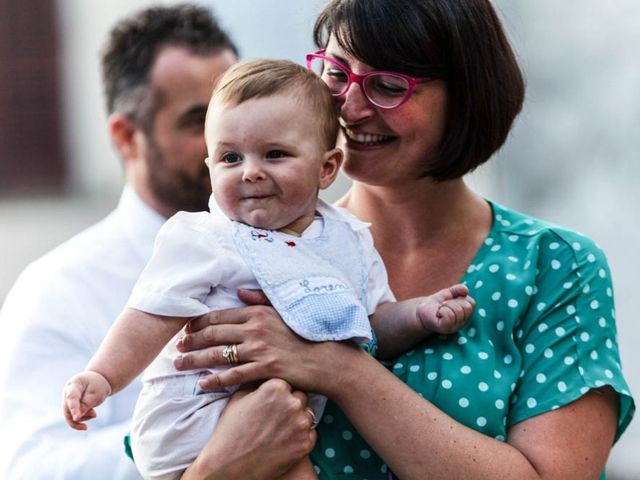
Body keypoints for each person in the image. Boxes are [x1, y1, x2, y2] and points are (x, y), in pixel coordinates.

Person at [170, 1, 635, 479]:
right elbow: (163, 430)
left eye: (388, 87)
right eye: (335, 74)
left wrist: (341, 370)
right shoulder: (239, 245)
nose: (349, 107)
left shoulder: (553, 266)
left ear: (467, 96)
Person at [63, 59, 475, 480]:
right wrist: (104, 375)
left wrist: (421, 314)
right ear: (210, 169)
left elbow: (371, 325)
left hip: (281, 414)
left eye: (275, 154)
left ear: (326, 168)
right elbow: (151, 313)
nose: (252, 171)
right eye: (230, 158)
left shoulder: (348, 239)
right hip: (195, 413)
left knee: (291, 448)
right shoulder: (207, 239)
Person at [0, 5, 238, 479]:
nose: (225, 139)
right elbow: (32, 467)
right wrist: (205, 437)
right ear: (127, 136)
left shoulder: (301, 241)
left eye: (233, 113)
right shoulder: (58, 289)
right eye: (198, 121)